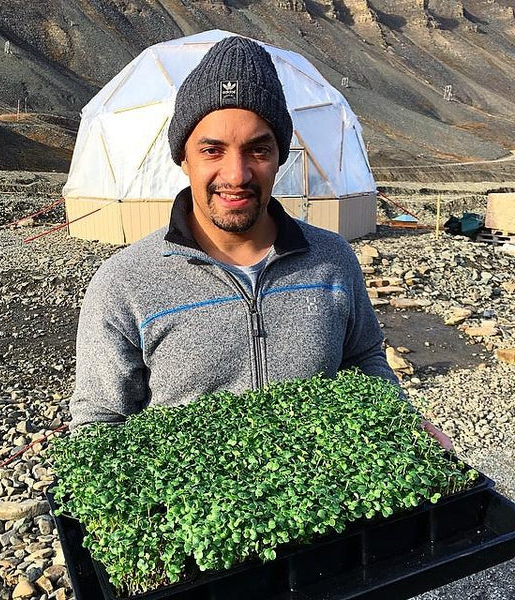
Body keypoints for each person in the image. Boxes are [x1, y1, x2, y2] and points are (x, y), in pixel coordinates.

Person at [69, 35, 451, 450]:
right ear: (183, 158)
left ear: (280, 157)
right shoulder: (125, 282)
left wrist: (403, 431)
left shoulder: (332, 259)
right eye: (212, 150)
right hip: (195, 511)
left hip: (328, 498)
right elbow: (101, 421)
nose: (236, 174)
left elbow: (364, 361)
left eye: (257, 149)